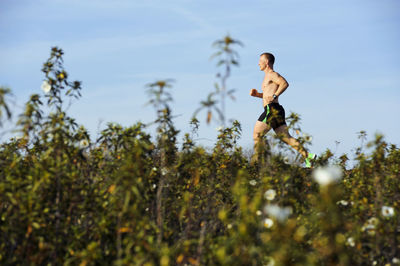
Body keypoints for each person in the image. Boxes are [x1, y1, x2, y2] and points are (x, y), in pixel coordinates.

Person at [250, 52, 316, 168]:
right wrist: (258, 95)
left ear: (266, 62)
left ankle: (258, 163)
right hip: (275, 109)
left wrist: (275, 95)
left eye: (260, 61)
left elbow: (284, 83)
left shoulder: (272, 74)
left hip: (272, 110)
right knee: (286, 138)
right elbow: (267, 95)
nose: (258, 63)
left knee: (257, 134)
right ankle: (308, 156)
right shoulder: (267, 77)